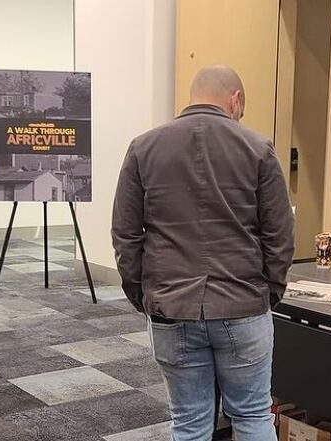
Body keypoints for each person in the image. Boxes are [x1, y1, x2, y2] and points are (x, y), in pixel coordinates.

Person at [112, 65, 295, 441]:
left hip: (170, 308)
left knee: (189, 422)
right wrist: (268, 292)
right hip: (243, 306)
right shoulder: (258, 148)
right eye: (241, 110)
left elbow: (126, 234)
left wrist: (145, 297)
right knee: (253, 416)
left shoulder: (142, 148)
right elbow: (280, 233)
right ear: (235, 100)